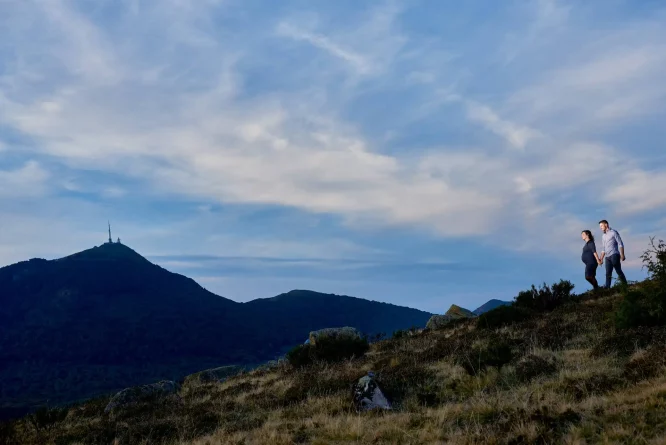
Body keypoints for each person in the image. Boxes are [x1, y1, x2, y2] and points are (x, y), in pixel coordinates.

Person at [598, 220, 628, 288]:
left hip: (614, 254)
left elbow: (620, 244)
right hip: (607, 257)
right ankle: (607, 287)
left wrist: (622, 254)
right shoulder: (603, 236)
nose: (601, 228)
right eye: (600, 226)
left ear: (606, 225)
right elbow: (603, 249)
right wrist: (601, 259)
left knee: (618, 270)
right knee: (608, 273)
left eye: (601, 226)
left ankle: (625, 284)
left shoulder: (613, 232)